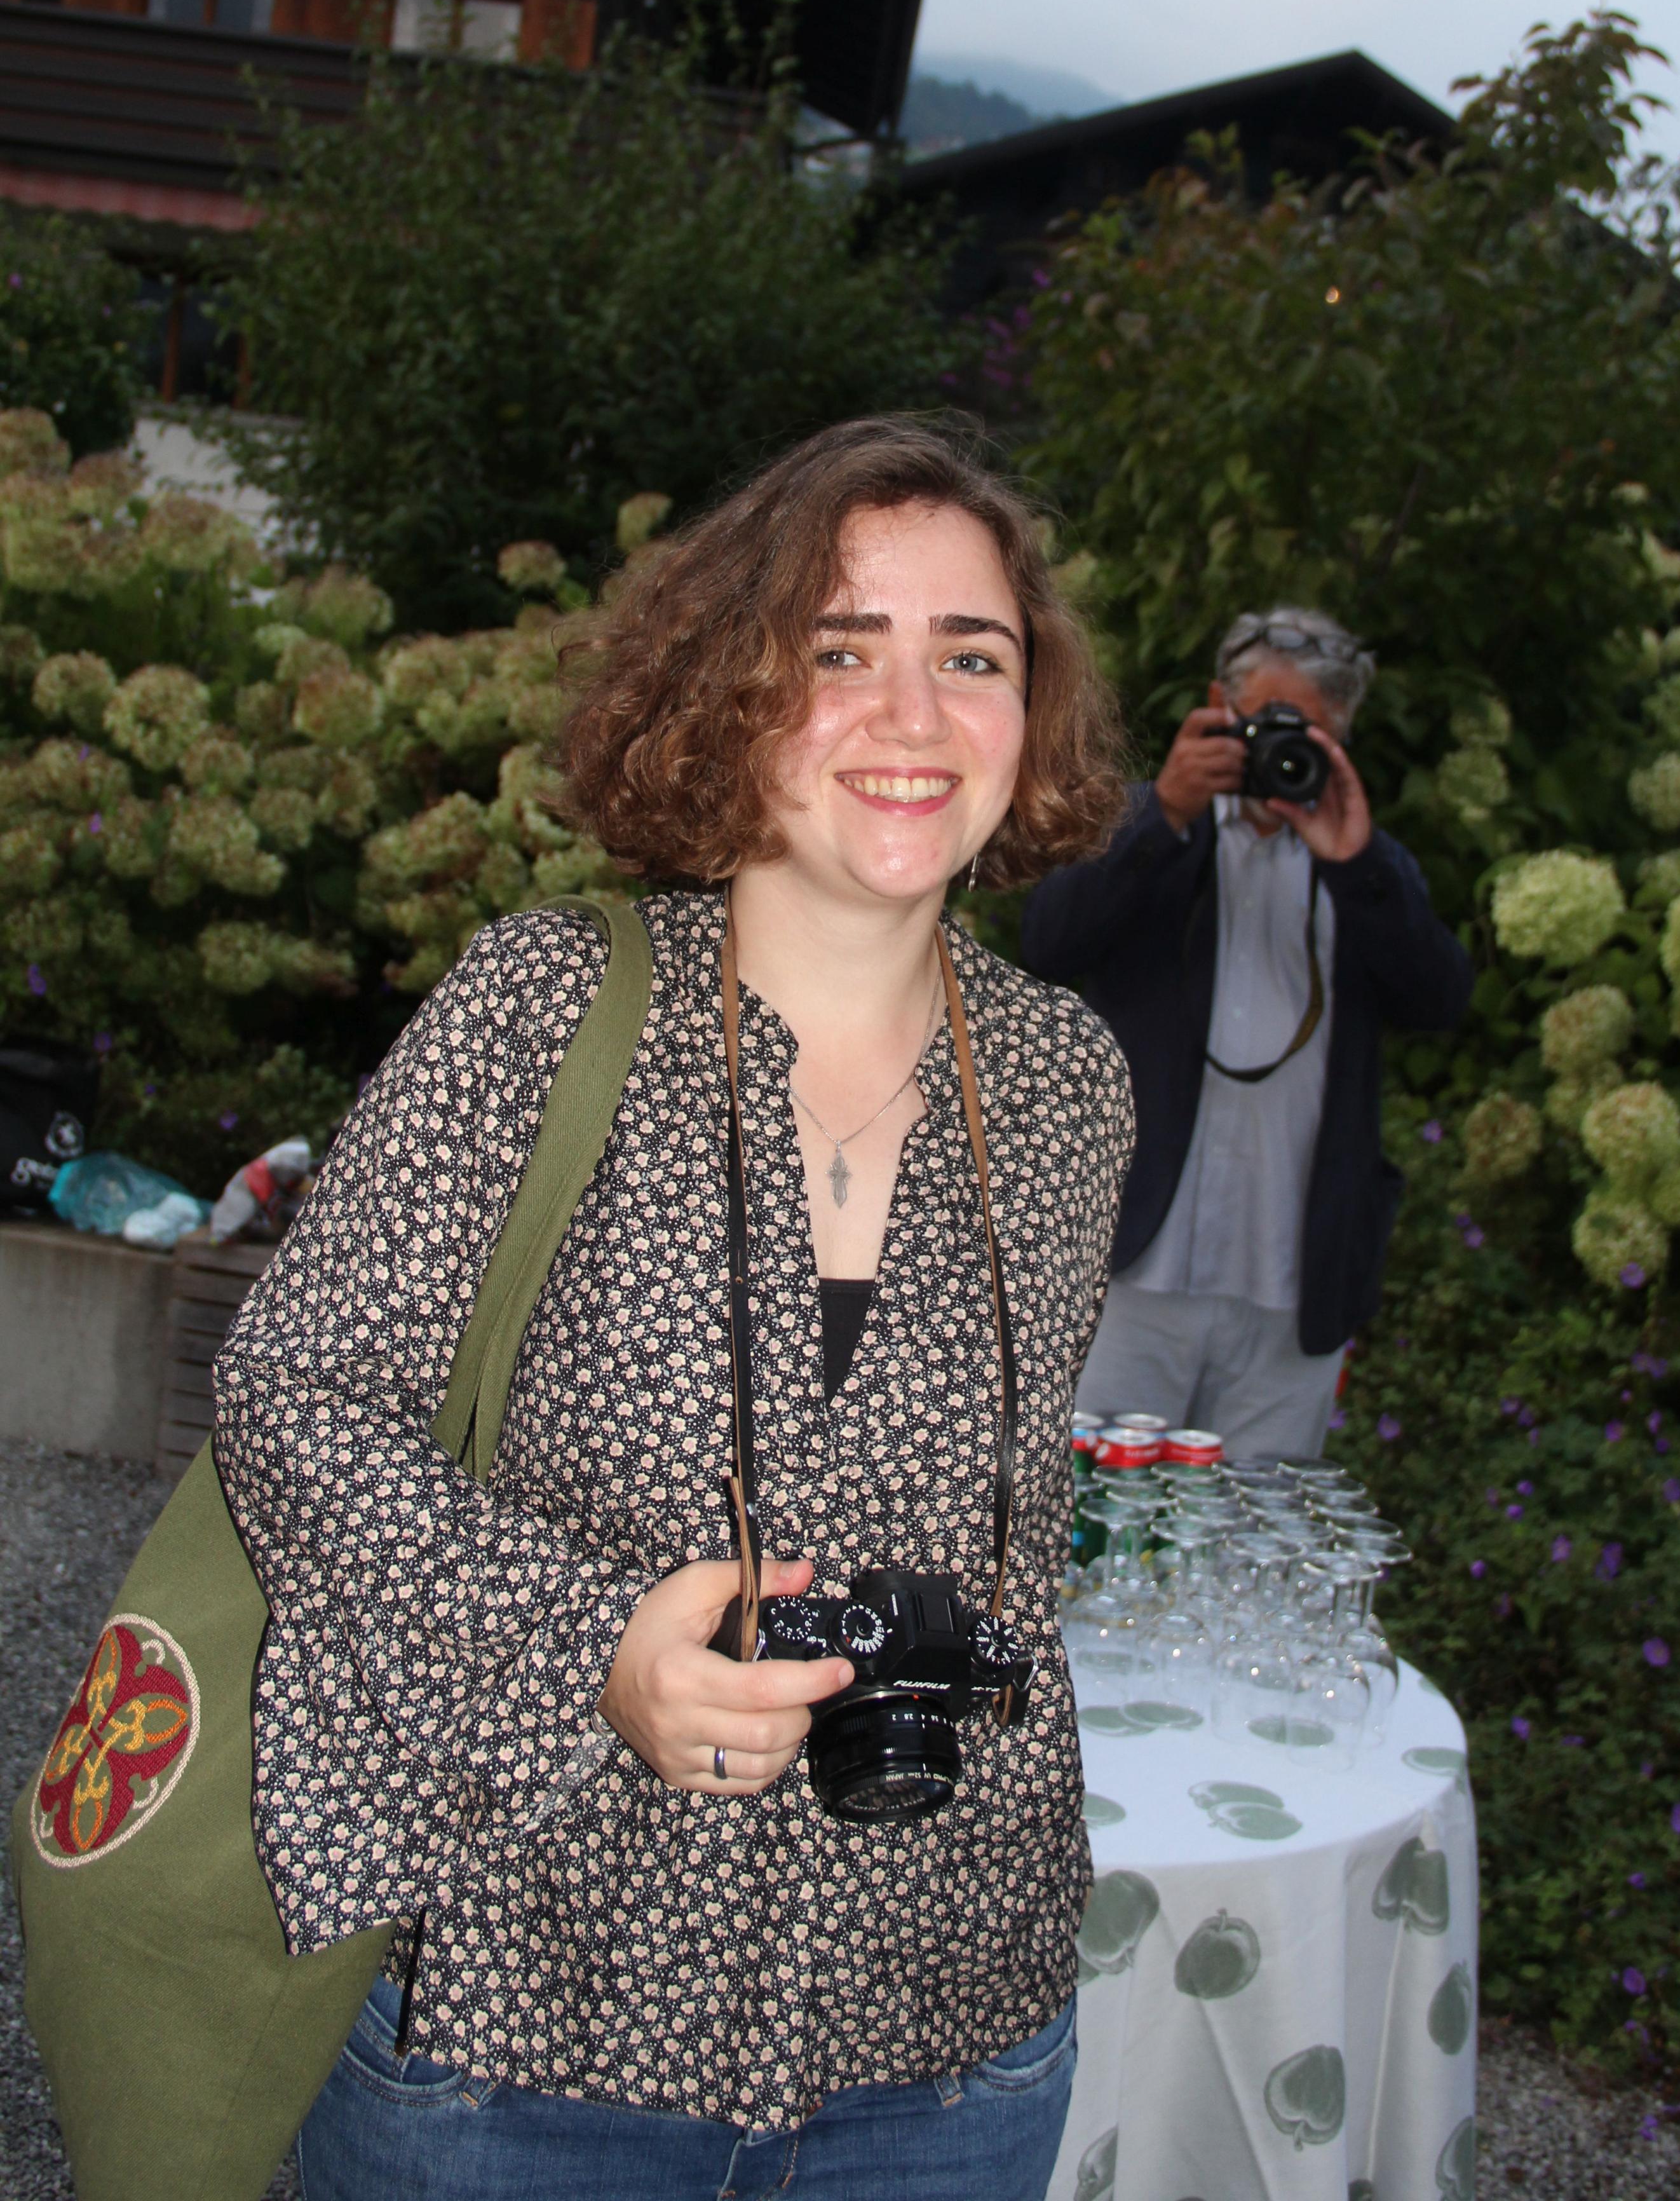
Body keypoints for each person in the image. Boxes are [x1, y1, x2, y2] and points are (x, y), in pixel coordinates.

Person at [211, 417, 1133, 2201]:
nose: (915, 714)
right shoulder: (544, 1008)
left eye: (974, 657)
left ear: (1033, 715)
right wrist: (596, 1652)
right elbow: (293, 1398)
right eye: (841, 650)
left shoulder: (1067, 1083)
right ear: (732, 693)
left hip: (944, 2035)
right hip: (533, 2025)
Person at [1022, 608, 1471, 1462]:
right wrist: (1167, 812)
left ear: (1344, 739)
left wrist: (1355, 864)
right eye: (1265, 722)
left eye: (1310, 732)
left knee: (1262, 1526)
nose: (1282, 749)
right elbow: (1048, 944)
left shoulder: (1368, 864)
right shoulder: (1144, 827)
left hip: (1293, 1288)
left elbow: (1439, 1001)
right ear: (1215, 707)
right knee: (1096, 1515)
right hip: (1135, 1271)